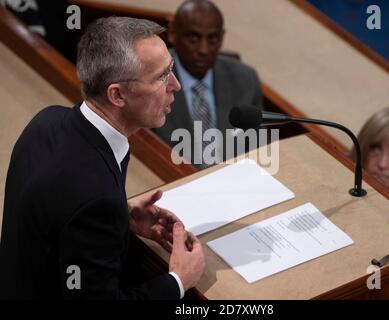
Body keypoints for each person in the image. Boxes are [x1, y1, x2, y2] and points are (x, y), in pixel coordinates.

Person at [0, 17, 205, 299]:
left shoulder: (47, 120)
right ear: (118, 95)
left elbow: (59, 210)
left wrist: (122, 218)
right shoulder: (96, 199)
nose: (176, 85)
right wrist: (178, 281)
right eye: (161, 76)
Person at [154, 0, 263, 168]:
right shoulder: (152, 79)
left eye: (212, 39)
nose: (203, 50)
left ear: (222, 37)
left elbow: (259, 147)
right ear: (173, 33)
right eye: (193, 38)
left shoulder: (245, 80)